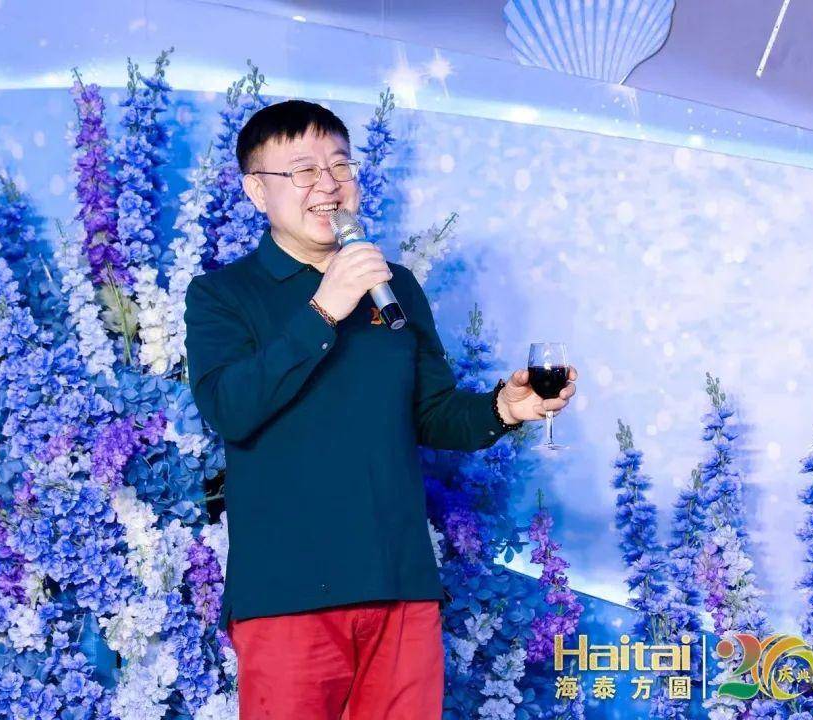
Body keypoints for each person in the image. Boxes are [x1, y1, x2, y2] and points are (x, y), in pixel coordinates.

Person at [184, 99, 578, 719]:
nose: (328, 184)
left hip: (399, 582)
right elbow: (230, 409)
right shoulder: (222, 295)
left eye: (340, 166)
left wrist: (503, 408)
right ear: (257, 191)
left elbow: (432, 414)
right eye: (303, 170)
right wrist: (325, 307)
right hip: (288, 592)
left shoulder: (395, 286)